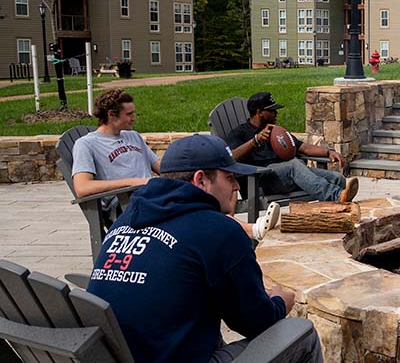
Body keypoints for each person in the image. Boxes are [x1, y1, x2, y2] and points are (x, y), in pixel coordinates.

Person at [86, 134, 323, 362]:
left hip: (126, 354)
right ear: (201, 179)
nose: (236, 188)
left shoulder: (125, 220)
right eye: (229, 178)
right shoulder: (217, 230)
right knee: (302, 334)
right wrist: (280, 302)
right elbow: (255, 322)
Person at [73, 89, 278, 243]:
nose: (134, 118)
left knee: (209, 189)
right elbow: (82, 188)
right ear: (111, 115)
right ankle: (248, 230)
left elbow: (161, 166)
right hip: (127, 205)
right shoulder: (87, 144)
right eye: (129, 114)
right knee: (194, 206)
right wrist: (136, 182)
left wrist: (194, 176)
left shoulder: (133, 137)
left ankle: (232, 233)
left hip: (153, 193)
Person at [225, 92, 358, 202]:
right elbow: (231, 157)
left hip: (290, 176)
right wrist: (255, 140)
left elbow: (303, 147)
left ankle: (336, 215)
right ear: (259, 112)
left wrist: (328, 152)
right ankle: (335, 196)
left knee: (337, 178)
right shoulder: (240, 133)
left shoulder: (276, 132)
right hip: (261, 180)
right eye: (272, 110)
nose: (276, 113)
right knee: (294, 165)